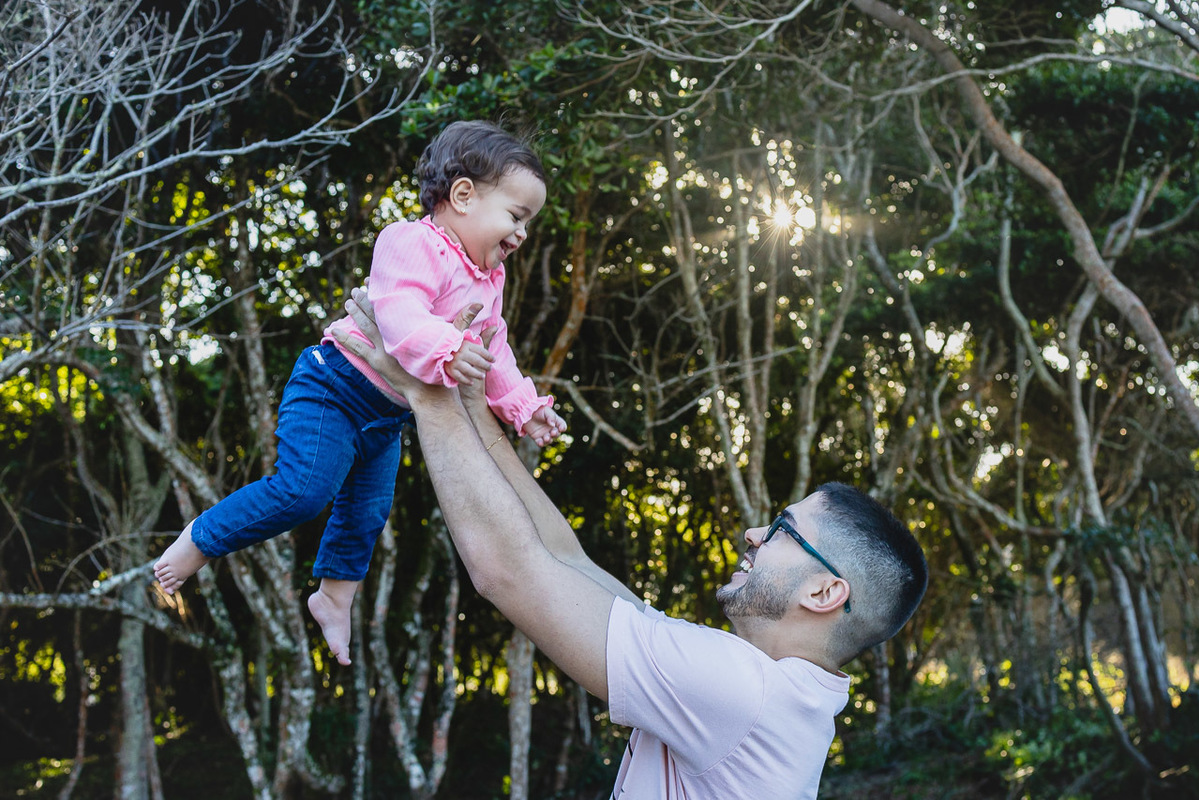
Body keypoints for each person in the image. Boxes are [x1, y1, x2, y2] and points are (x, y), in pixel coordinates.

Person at [332, 287, 929, 799]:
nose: (753, 534)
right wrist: (464, 395)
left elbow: (505, 573)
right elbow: (564, 560)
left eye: (782, 530)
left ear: (825, 591)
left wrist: (423, 391)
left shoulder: (743, 692)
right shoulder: (775, 696)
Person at [153, 121, 566, 666]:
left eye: (528, 223)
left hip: (387, 414)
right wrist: (447, 349)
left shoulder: (489, 281)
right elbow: (398, 316)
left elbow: (495, 350)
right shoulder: (410, 242)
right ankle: (199, 541)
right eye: (516, 217)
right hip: (334, 386)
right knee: (304, 492)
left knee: (367, 514)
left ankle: (334, 598)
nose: (521, 236)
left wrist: (522, 407)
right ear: (463, 195)